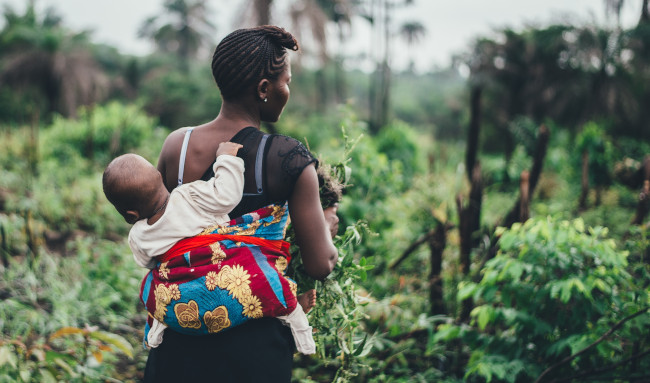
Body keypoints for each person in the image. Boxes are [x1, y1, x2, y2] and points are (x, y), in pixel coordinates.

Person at [145, 25, 339, 382]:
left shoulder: (177, 145)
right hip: (253, 351)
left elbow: (156, 229)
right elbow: (320, 264)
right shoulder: (287, 157)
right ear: (264, 88)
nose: (288, 91)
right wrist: (327, 222)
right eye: (287, 81)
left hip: (179, 335)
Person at [102, 143, 318, 354]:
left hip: (184, 301)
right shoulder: (188, 195)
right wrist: (226, 158)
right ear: (160, 178)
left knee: (152, 286)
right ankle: (295, 318)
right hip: (221, 276)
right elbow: (227, 195)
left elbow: (148, 263)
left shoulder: (138, 235)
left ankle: (158, 328)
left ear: (130, 215)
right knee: (261, 276)